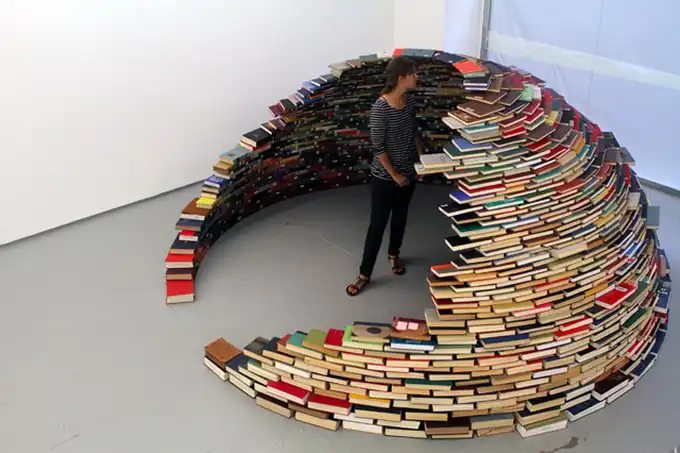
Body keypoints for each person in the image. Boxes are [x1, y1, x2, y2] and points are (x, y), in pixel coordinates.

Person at [346, 56, 423, 296]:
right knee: (377, 225)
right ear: (401, 78)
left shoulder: (409, 102)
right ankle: (364, 274)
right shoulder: (381, 108)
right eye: (413, 73)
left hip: (409, 173)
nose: (417, 77)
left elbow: (413, 133)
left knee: (400, 218)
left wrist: (422, 161)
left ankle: (394, 255)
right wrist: (395, 175)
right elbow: (378, 148)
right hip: (385, 178)